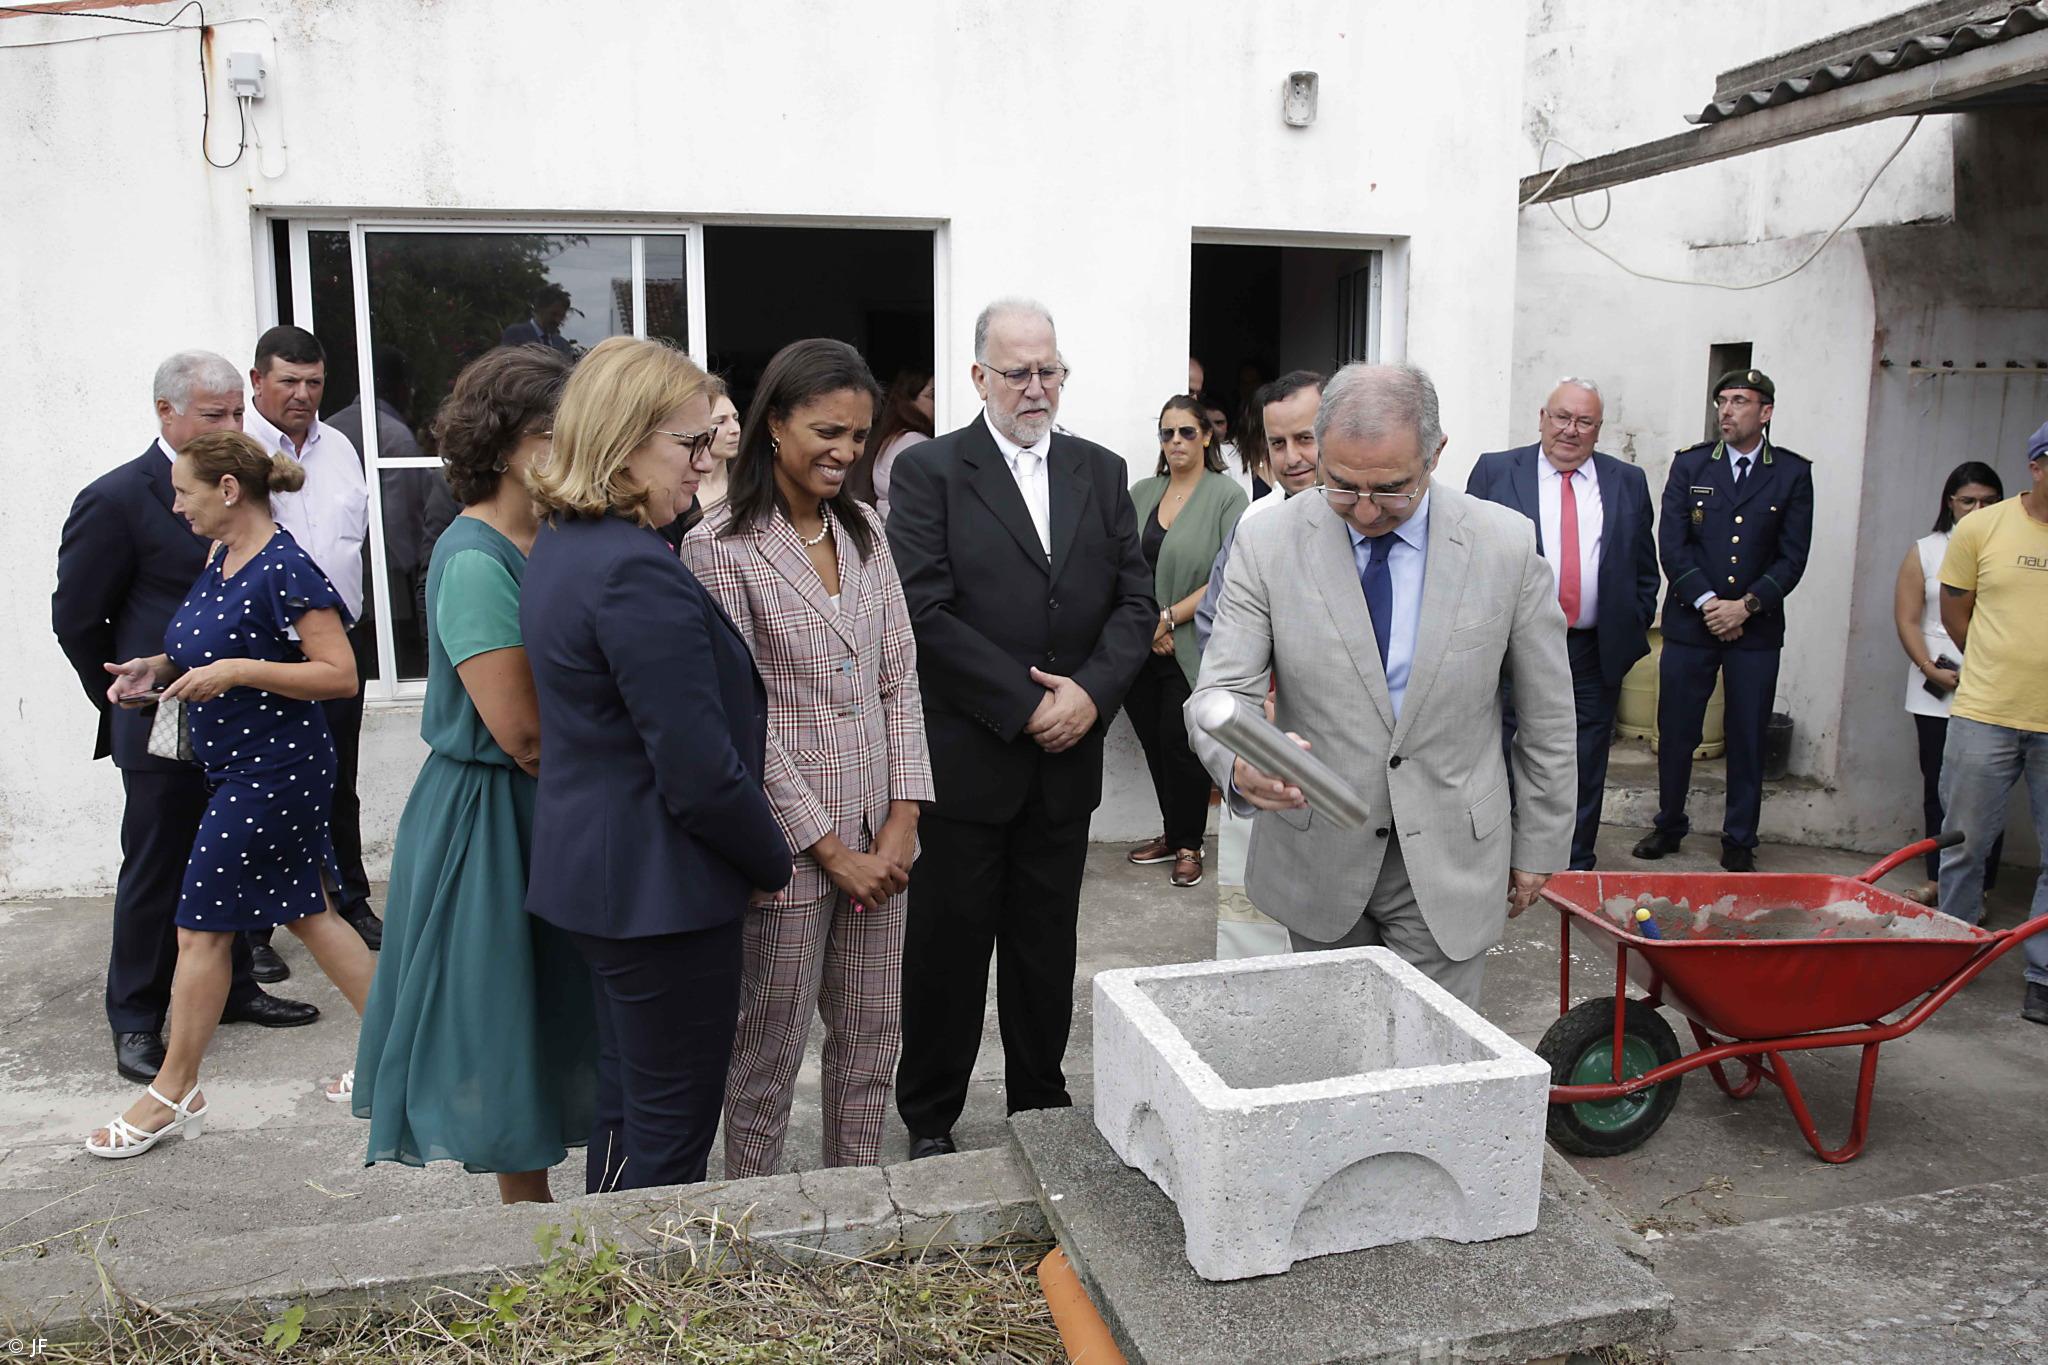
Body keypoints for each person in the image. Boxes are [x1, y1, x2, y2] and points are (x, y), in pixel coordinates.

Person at [1187, 363, 1575, 1008]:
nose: (1365, 510)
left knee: (1430, 1063)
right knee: (1333, 1057)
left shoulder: (1504, 546)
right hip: (1318, 852)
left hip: (1451, 856)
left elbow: (1548, 717)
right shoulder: (1269, 542)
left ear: (1435, 454)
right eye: (1341, 486)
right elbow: (1219, 692)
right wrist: (1239, 766)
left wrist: (1538, 844)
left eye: (1392, 489)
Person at [520, 337, 792, 1192]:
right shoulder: (631, 570)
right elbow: (699, 769)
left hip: (606, 879)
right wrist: (769, 858)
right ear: (623, 441)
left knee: (629, 1108)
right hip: (657, 893)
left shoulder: (569, 545)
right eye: (690, 444)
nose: (706, 463)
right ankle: (644, 1305)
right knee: (669, 1133)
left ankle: (603, 1292)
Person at [887, 298, 1153, 1158]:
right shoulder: (930, 471)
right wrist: (1026, 700)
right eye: (1018, 372)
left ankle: (1042, 1102)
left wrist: (1089, 694)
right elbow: (922, 609)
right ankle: (930, 1117)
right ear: (979, 378)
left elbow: (1134, 602)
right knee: (947, 954)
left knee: (1046, 950)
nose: (1036, 388)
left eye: (1050, 371)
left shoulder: (1101, 471)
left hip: (1065, 765)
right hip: (970, 760)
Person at [682, 339, 933, 1178]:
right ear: (775, 424)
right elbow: (740, 719)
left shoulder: (865, 530)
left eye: (859, 436)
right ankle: (759, 1225)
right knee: (767, 1049)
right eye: (828, 431)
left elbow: (900, 674)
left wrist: (902, 820)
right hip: (786, 849)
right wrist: (830, 850)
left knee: (871, 1041)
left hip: (882, 841)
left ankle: (860, 1205)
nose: (846, 452)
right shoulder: (718, 544)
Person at [86, 430, 375, 1157]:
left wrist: (243, 670)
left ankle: (172, 1091)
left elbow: (338, 672)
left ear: (226, 489)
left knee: (200, 926)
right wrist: (154, 667)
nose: (176, 505)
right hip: (237, 768)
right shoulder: (222, 556)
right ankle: (400, 1058)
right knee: (312, 913)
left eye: (184, 491)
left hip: (274, 773)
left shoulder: (287, 567)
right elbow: (200, 645)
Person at [351, 345, 596, 1204]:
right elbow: (523, 731)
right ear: (506, 441)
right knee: (504, 1017)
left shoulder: (555, 533)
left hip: (549, 804)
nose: (574, 448)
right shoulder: (473, 557)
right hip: (494, 815)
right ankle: (531, 1235)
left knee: (562, 1007)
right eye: (554, 433)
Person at [52, 352, 317, 1084]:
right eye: (215, 415)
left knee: (229, 866)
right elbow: (76, 618)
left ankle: (233, 991)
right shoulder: (116, 498)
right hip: (160, 722)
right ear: (166, 414)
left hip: (244, 723)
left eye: (238, 412)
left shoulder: (240, 481)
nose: (233, 426)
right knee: (157, 870)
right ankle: (136, 1018)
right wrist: (124, 697)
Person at [1467, 378, 1658, 870]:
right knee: (1506, 745)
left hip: (1594, 648)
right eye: (1562, 417)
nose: (1570, 431)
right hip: (1513, 645)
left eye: (1584, 422)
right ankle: (1505, 855)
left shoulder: (1627, 481)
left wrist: (1631, 625)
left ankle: (1573, 861)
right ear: (1542, 417)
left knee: (1586, 755)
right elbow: (1464, 559)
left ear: (1598, 429)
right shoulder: (1495, 472)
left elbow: (1643, 567)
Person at [1633, 370, 1814, 873]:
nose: (1727, 411)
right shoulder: (1691, 465)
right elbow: (1672, 543)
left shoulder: (1792, 474)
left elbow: (1792, 556)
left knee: (1747, 732)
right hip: (1694, 623)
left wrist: (1746, 607)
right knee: (1677, 728)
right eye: (1722, 401)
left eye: (1740, 401)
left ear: (1766, 412)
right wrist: (1712, 603)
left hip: (1755, 631)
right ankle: (1669, 823)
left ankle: (1739, 837)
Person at [244, 326, 380, 970]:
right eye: (289, 381)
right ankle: (256, 930)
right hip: (267, 656)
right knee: (265, 790)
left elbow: (352, 545)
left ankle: (350, 898)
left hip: (335, 649)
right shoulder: (237, 453)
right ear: (257, 382)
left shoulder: (342, 449)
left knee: (336, 783)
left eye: (314, 382)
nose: (302, 394)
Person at [1195, 371, 1321, 959]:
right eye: (1278, 444)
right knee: (1263, 940)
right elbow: (1213, 625)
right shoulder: (1253, 525)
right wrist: (1249, 700)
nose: (1293, 458)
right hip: (1268, 743)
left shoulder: (1382, 520)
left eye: (1307, 438)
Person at [1935, 422, 2048, 1024]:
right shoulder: (1982, 528)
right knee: (1965, 843)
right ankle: (1950, 953)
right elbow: (1957, 613)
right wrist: (2002, 663)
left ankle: (2043, 972)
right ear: (2036, 466)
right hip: (1986, 711)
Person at [1123, 397, 1246, 888]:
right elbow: (1121, 563)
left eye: (1186, 432)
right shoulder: (1141, 492)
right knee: (1154, 742)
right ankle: (1173, 834)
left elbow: (1228, 571)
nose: (1176, 441)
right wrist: (1147, 626)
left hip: (1193, 641)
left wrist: (1169, 620)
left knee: (1183, 744)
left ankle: (1192, 844)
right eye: (1167, 433)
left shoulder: (1226, 495)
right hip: (1140, 641)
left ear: (1207, 437)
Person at [1893, 462, 2004, 904]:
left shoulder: (2010, 547)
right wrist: (1927, 666)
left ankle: (1976, 889)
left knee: (1987, 790)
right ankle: (1939, 879)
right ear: (1950, 503)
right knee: (1939, 784)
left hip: (1994, 682)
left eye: (1989, 502)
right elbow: (1906, 618)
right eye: (1968, 501)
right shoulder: (1927, 550)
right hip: (1937, 681)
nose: (1978, 509)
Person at [848, 369, 935, 523]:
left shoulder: (893, 438)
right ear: (908, 400)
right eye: (932, 396)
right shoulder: (913, 442)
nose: (939, 403)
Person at [500, 285, 575, 355]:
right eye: (553, 314)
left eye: (561, 316)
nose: (558, 320)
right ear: (539, 309)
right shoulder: (516, 334)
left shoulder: (562, 345)